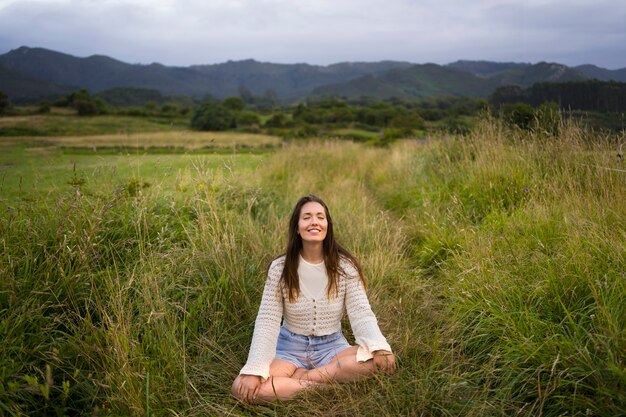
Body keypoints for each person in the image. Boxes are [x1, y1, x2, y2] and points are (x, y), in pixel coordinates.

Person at [231, 194, 396, 403]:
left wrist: (378, 347)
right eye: (306, 217)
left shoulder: (345, 267)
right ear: (297, 227)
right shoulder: (280, 268)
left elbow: (361, 313)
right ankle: (323, 387)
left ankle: (303, 379)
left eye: (320, 217)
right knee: (242, 389)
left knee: (380, 360)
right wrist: (255, 369)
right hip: (289, 348)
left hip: (332, 347)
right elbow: (267, 320)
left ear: (327, 226)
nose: (314, 222)